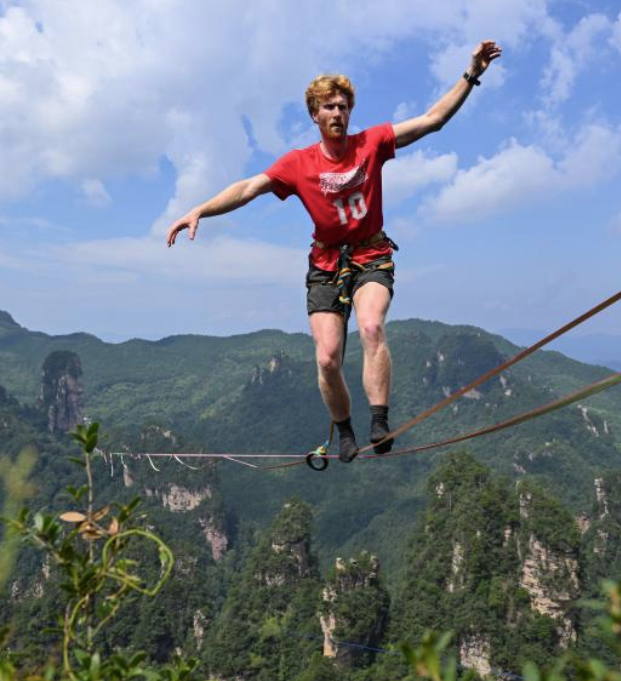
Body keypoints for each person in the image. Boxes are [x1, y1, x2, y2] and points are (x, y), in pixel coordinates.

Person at [166, 40, 502, 463]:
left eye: (343, 106)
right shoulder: (298, 163)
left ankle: (379, 421)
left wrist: (472, 74)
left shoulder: (372, 142)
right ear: (315, 115)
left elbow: (433, 120)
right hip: (326, 263)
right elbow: (249, 188)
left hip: (371, 254)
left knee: (371, 327)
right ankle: (344, 431)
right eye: (329, 107)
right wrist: (201, 209)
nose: (337, 113)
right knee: (327, 358)